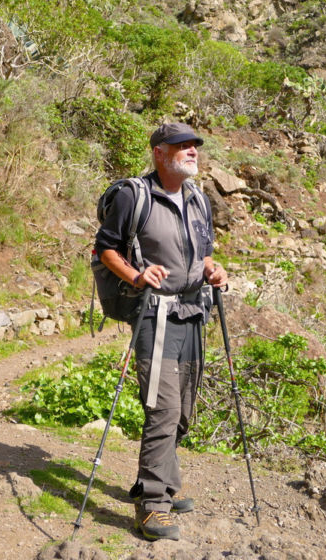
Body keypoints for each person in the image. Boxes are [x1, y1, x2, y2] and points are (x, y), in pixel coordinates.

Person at [94, 122, 228, 541]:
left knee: (184, 408)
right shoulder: (135, 196)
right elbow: (105, 248)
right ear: (158, 152)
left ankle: (162, 484)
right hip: (155, 314)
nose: (191, 151)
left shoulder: (198, 199)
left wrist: (213, 270)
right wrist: (136, 275)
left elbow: (203, 253)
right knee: (163, 407)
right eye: (181, 145)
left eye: (194, 146)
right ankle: (152, 506)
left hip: (193, 312)